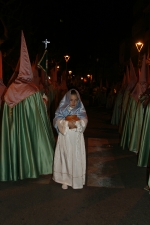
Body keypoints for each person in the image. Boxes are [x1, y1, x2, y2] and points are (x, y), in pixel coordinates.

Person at [0, 31, 55, 181]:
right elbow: (39, 116)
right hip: (28, 128)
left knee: (14, 142)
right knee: (29, 140)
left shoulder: (10, 89)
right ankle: (31, 166)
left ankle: (12, 168)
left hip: (12, 130)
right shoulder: (32, 90)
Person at [53, 89, 88, 189]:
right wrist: (66, 123)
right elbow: (56, 120)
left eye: (75, 100)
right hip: (65, 137)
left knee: (75, 157)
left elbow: (85, 120)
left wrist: (78, 124)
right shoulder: (62, 109)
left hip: (76, 137)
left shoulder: (80, 109)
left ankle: (76, 179)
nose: (73, 102)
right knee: (65, 156)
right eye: (71, 100)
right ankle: (65, 179)